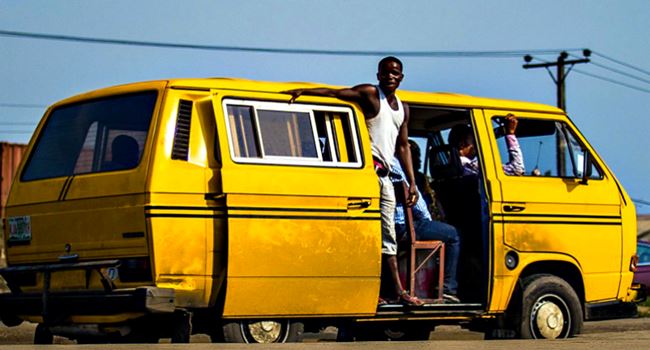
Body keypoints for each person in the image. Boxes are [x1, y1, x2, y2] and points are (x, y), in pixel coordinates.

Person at [283, 56, 422, 306]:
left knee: (387, 235)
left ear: (402, 77)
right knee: (365, 233)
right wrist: (305, 91)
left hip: (386, 178)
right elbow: (336, 94)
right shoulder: (370, 94)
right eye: (386, 72)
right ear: (378, 75)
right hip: (367, 173)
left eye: (395, 73)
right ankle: (380, 291)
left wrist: (412, 183)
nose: (390, 76)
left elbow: (403, 147)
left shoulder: (403, 108)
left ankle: (397, 292)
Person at [391, 159, 461, 303]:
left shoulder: (382, 164)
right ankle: (448, 289)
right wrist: (429, 223)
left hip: (389, 227)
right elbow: (419, 207)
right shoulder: (396, 165)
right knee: (452, 234)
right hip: (403, 226)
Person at [448, 113, 525, 176]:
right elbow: (517, 169)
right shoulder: (468, 166)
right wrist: (510, 134)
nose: (477, 146)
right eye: (474, 141)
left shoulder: (453, 168)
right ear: (462, 145)